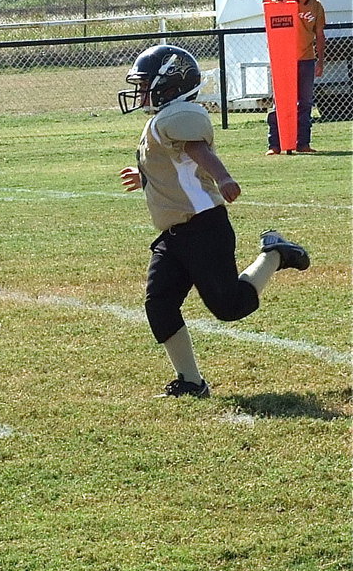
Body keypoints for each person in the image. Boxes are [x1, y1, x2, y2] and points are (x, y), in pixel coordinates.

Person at [117, 44, 310, 398]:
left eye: (146, 83)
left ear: (170, 86)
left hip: (204, 227)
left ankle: (276, 253)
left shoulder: (178, 117)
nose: (140, 91)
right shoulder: (162, 120)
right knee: (159, 304)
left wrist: (222, 178)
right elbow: (177, 167)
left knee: (229, 307)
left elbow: (198, 152)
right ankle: (192, 382)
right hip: (174, 234)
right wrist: (145, 175)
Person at [263, 0, 326, 154]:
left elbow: (320, 35)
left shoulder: (316, 6)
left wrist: (320, 61)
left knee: (305, 103)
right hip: (284, 59)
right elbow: (268, 5)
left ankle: (303, 143)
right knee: (280, 102)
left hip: (306, 58)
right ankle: (275, 145)